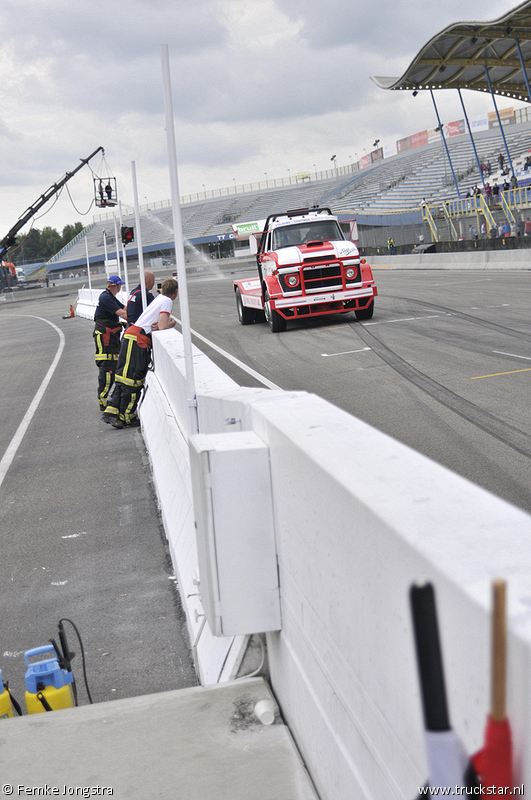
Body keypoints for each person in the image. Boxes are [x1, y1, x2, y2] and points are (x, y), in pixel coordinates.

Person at [102, 278, 178, 429]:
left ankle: (112, 412)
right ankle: (127, 416)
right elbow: (162, 326)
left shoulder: (158, 298)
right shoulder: (167, 301)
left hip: (131, 335)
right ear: (175, 292)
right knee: (133, 379)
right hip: (139, 340)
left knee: (123, 377)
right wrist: (172, 323)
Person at [93, 275, 127, 409]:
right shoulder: (106, 298)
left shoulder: (109, 296)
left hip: (110, 336)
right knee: (108, 368)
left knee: (114, 365)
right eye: (120, 286)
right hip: (105, 337)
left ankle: (106, 397)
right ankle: (103, 399)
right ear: (117, 286)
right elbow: (122, 313)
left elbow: (124, 308)